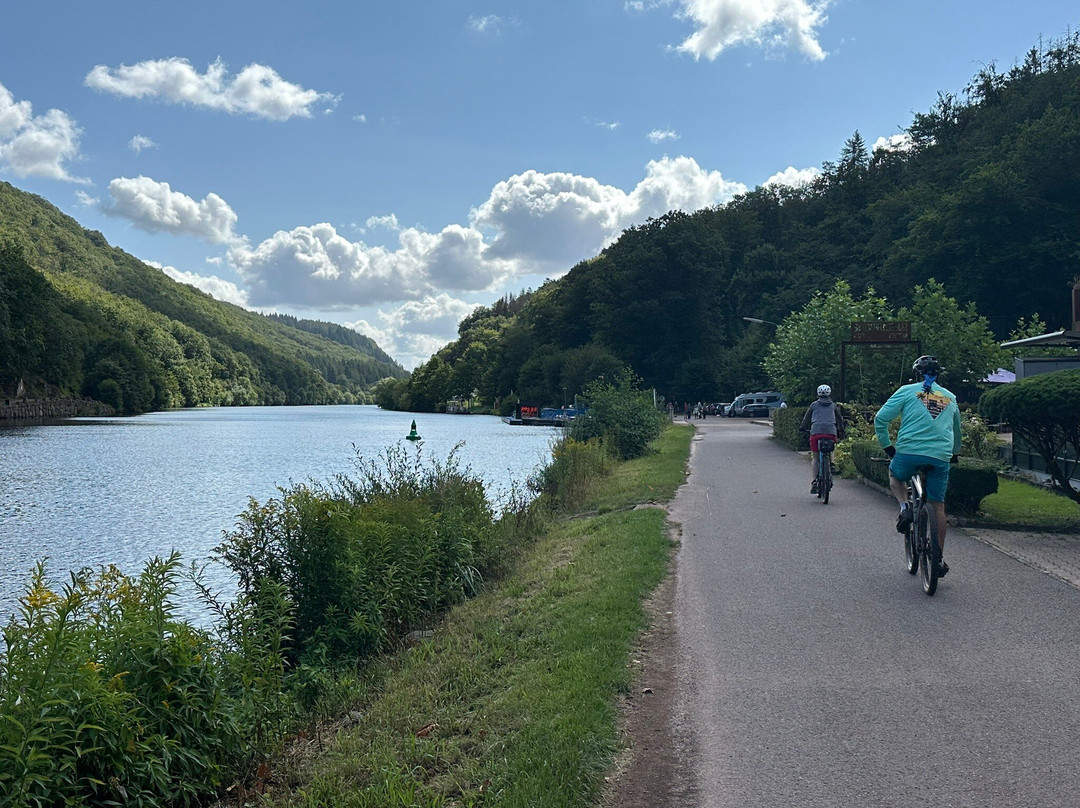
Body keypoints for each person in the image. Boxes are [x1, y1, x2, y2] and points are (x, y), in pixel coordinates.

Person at [874, 355, 963, 578]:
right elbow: (957, 432)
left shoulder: (906, 391)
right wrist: (953, 454)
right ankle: (937, 558)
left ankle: (905, 508)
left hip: (908, 453)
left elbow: (880, 419)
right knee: (938, 507)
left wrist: (888, 448)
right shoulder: (950, 397)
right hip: (940, 457)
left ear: (916, 374)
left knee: (895, 474)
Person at [800, 384, 845, 494]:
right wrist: (841, 430)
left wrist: (802, 428)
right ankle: (832, 463)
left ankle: (815, 481)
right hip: (830, 432)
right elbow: (840, 419)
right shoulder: (833, 406)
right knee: (831, 448)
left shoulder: (814, 405)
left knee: (815, 458)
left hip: (816, 432)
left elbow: (806, 419)